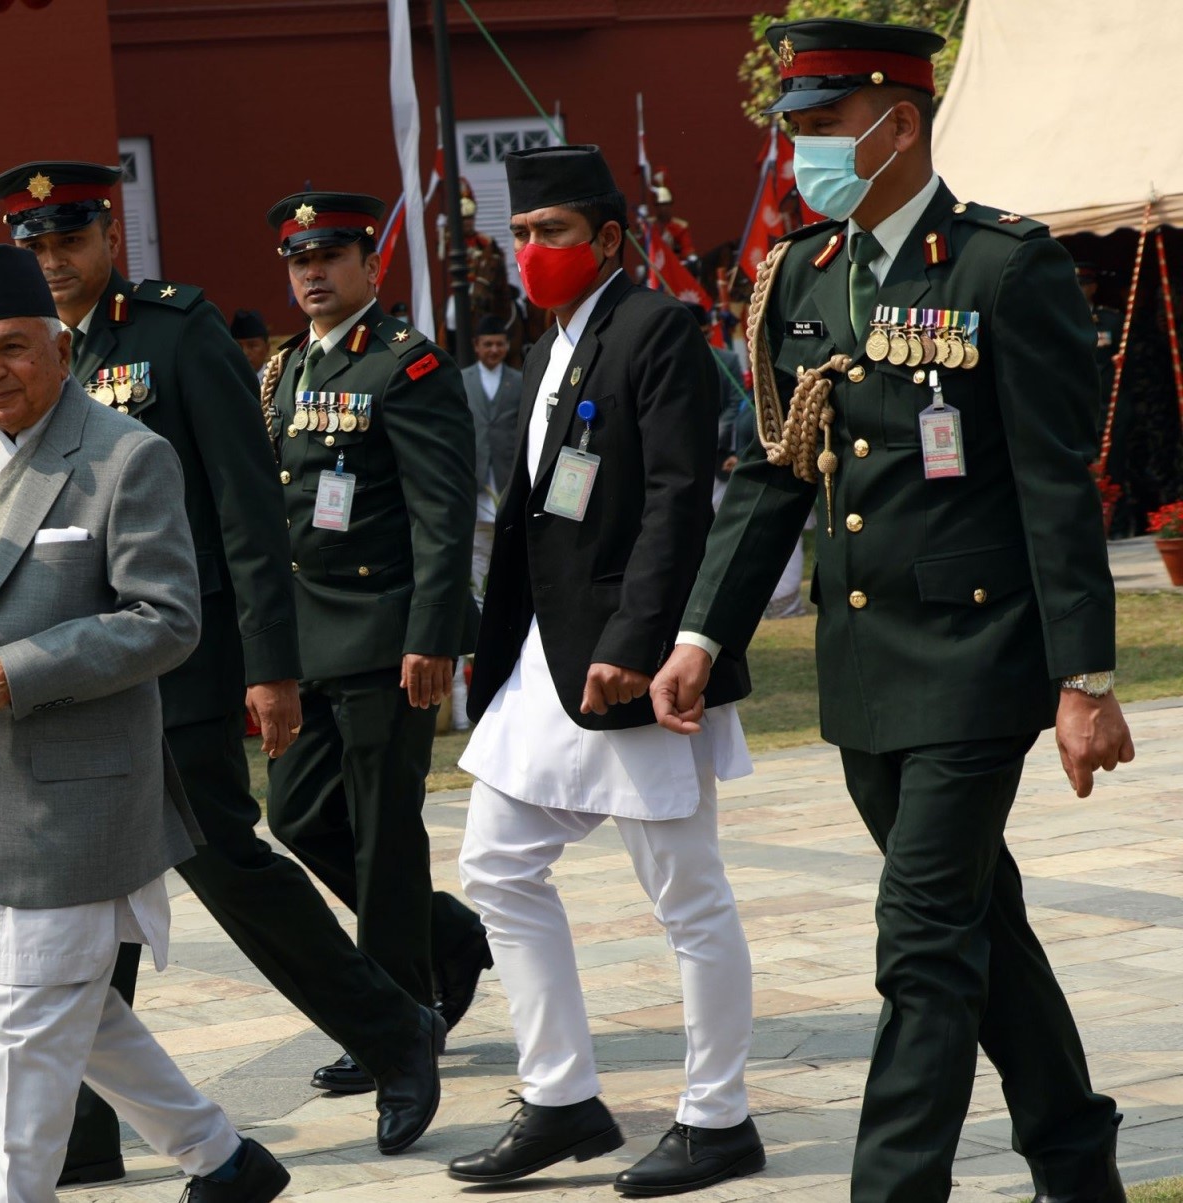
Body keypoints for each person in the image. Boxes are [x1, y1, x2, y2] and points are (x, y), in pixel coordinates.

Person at [653, 20, 1135, 1202]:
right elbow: (772, 469)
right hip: (864, 665)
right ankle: (1075, 1162)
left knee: (918, 948)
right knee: (981, 925)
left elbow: (1051, 482)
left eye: (819, 126)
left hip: (977, 661)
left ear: (896, 121)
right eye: (795, 128)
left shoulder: (999, 267)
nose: (801, 152)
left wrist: (1083, 677)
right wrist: (700, 634)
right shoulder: (803, 276)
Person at [0, 160, 441, 1198]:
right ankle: (76, 1126)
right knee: (87, 895)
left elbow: (246, 505)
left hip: (175, 666)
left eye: (67, 238)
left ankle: (393, 1031)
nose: (52, 258)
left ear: (107, 235)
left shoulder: (174, 335)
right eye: (32, 244)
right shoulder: (20, 356)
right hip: (63, 692)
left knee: (226, 869)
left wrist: (270, 665)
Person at [0, 240, 291, 1203]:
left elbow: (167, 620)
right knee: (72, 1003)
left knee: (34, 1012)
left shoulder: (126, 455)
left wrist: (16, 671)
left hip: (79, 786)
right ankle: (224, 1160)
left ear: (60, 350)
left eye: (13, 348)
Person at [444, 145, 764, 1196]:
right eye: (521, 237)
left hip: (632, 656)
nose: (532, 253)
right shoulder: (548, 348)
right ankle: (559, 1099)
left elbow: (679, 497)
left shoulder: (654, 327)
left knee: (685, 896)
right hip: (550, 656)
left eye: (554, 234)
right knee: (493, 865)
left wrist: (638, 640)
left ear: (609, 240)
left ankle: (716, 1119)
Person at [260, 191, 490, 1093]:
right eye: (297, 260)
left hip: (389, 636)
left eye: (330, 256)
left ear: (370, 265)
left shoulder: (407, 364)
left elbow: (442, 514)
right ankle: (449, 938)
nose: (312, 274)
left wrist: (435, 636)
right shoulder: (283, 370)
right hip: (309, 637)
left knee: (385, 836)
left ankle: (399, 1015)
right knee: (298, 814)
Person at [453, 314, 522, 730]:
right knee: (477, 565)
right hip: (476, 486)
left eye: (499, 344)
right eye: (486, 344)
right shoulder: (461, 380)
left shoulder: (518, 379)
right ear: (476, 346)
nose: (493, 351)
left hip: (509, 484)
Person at [1079, 262, 1124, 432]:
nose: (1076, 290)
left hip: (1105, 408)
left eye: (1081, 284)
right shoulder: (1057, 321)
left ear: (1093, 288)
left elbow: (1126, 367)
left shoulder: (1111, 320)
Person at [230, 308, 272, 381]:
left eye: (252, 346)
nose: (245, 353)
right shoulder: (223, 381)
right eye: (238, 346)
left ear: (267, 348)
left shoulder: (277, 381)